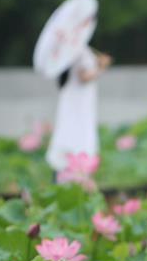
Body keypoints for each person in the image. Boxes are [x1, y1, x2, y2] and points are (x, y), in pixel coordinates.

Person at [45, 43, 112, 173]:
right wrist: (101, 67)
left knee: (70, 132)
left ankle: (69, 172)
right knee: (76, 135)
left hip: (76, 99)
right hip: (78, 101)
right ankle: (72, 172)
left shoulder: (75, 49)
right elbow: (83, 77)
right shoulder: (78, 50)